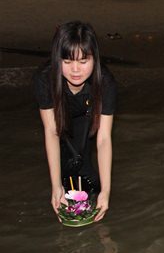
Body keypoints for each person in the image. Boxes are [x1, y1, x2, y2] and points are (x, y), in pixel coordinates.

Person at [34, 21, 117, 222]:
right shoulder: (44, 79)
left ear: (94, 59)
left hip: (86, 119)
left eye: (83, 61)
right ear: (57, 59)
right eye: (68, 61)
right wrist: (56, 187)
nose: (75, 70)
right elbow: (51, 131)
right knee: (62, 186)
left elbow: (104, 138)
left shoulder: (105, 81)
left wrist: (107, 191)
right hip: (60, 120)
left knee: (92, 186)